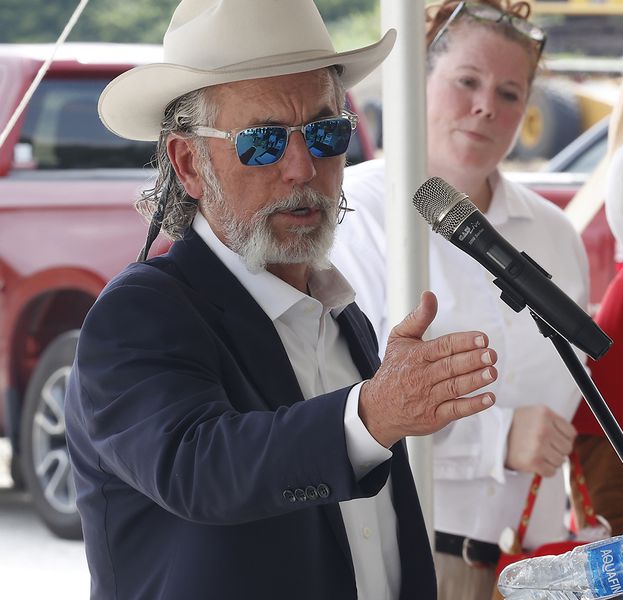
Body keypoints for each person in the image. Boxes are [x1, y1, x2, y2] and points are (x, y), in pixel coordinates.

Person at [64, 1, 500, 599]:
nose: (303, 166)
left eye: (325, 132)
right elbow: (200, 469)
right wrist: (373, 414)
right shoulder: (138, 315)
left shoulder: (342, 317)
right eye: (263, 142)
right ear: (189, 164)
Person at [330, 1, 590, 598]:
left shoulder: (554, 235)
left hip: (538, 568)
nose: (485, 107)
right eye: (467, 82)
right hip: (412, 558)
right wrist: (495, 441)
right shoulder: (356, 215)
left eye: (509, 92)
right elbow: (338, 405)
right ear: (417, 81)